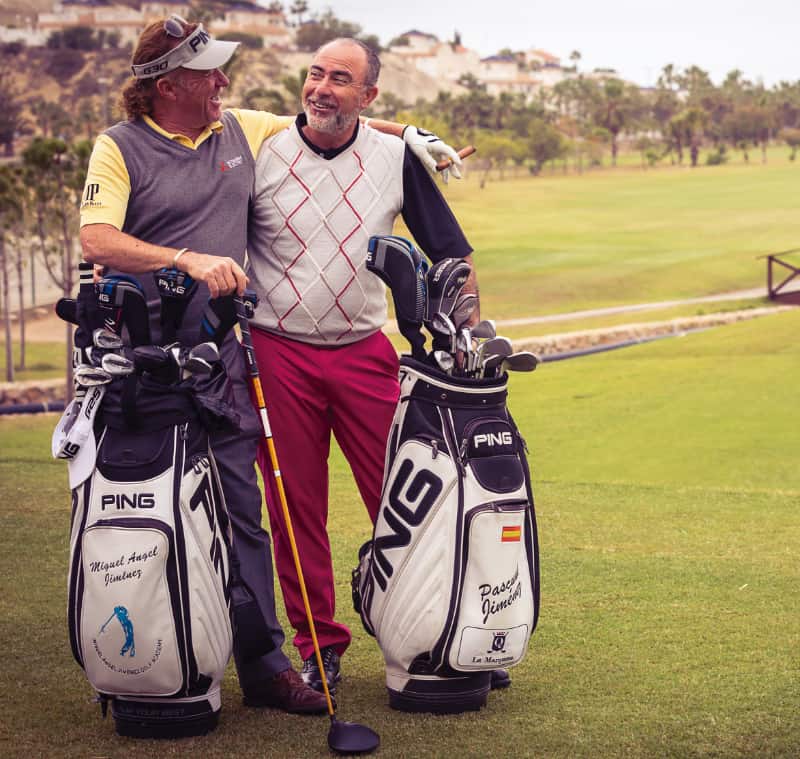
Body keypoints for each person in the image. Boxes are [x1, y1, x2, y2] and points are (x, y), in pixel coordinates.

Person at [78, 16, 464, 714]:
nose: (224, 81)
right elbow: (96, 237)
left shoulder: (241, 129)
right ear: (170, 84)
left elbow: (330, 119)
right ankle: (215, 653)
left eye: (338, 78)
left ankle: (405, 639)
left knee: (283, 507)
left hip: (268, 352)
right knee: (250, 510)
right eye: (209, 73)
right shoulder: (123, 146)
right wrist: (183, 260)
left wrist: (411, 135)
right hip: (182, 356)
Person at [245, 37, 499, 696]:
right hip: (277, 350)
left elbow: (453, 255)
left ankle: (440, 631)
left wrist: (471, 335)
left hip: (363, 349)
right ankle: (319, 646)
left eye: (341, 79)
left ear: (368, 95)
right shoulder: (262, 151)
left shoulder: (395, 157)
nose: (322, 88)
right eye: (316, 74)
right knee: (295, 506)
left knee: (405, 498)